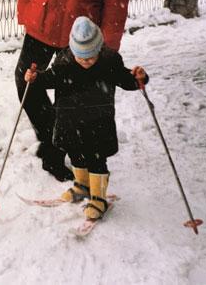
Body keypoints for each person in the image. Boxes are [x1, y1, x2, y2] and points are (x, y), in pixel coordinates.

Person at [15, 0, 130, 181]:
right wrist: (27, 15)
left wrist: (108, 45)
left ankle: (62, 151)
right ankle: (52, 139)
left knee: (73, 95)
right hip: (41, 27)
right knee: (27, 83)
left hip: (81, 36)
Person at [24, 16, 148, 220]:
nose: (85, 62)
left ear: (99, 48)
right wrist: (35, 78)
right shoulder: (65, 61)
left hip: (99, 121)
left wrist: (139, 78)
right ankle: (82, 186)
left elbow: (126, 79)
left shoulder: (109, 61)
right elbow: (49, 78)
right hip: (70, 121)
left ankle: (99, 198)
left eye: (90, 57)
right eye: (81, 57)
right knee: (75, 155)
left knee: (96, 160)